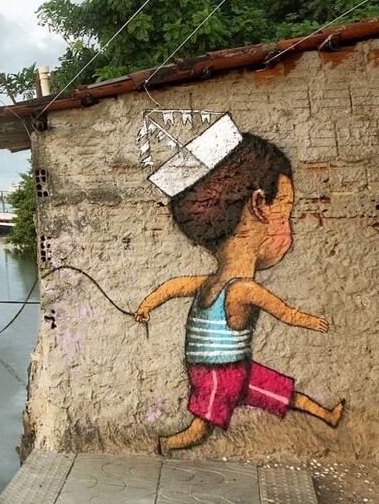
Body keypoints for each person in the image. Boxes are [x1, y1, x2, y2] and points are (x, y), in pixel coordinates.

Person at [134, 133, 345, 455]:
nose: (288, 225)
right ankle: (165, 445)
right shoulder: (243, 289)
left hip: (236, 368)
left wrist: (147, 305)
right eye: (286, 211)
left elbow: (172, 287)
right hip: (217, 373)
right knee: (199, 428)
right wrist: (311, 321)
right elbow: (285, 312)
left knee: (283, 392)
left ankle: (328, 415)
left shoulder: (209, 282)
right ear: (259, 205)